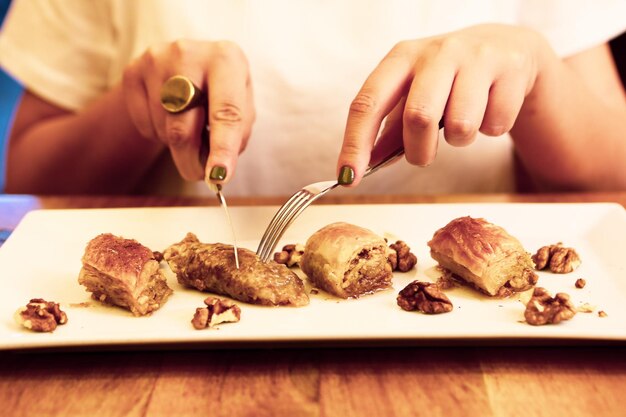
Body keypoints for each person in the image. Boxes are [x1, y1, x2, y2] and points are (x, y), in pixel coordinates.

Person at [0, 0, 625, 196]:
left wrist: (537, 72)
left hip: (491, 345)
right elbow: (27, 180)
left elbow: (613, 177)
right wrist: (143, 112)